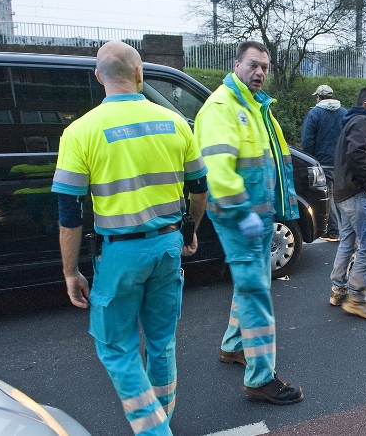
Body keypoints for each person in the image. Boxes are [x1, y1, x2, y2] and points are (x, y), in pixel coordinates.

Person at [52, 40, 209, 436]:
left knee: (117, 347)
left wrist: (70, 270)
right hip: (168, 246)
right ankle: (163, 419)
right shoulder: (175, 123)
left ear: (98, 76)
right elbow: (199, 187)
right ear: (140, 74)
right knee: (161, 343)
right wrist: (189, 230)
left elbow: (70, 212)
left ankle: (155, 431)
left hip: (121, 254)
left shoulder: (80, 131)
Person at [195, 41, 304, 405]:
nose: (260, 73)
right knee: (257, 292)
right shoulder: (223, 108)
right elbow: (217, 171)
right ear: (237, 64)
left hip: (253, 216)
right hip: (238, 217)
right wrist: (244, 214)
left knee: (249, 284)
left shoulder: (253, 106)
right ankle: (260, 378)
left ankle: (233, 346)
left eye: (265, 67)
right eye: (253, 65)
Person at [329, 87, 366, 319]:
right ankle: (357, 297)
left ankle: (338, 289)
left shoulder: (352, 121)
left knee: (347, 241)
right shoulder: (364, 122)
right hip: (357, 192)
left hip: (343, 192)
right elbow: (356, 153)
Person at [300, 84, 346, 241]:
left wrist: (308, 160)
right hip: (341, 163)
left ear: (318, 97)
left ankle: (334, 230)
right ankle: (343, 229)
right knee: (340, 196)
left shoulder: (314, 113)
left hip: (322, 163)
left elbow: (307, 140)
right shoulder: (344, 113)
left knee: (329, 196)